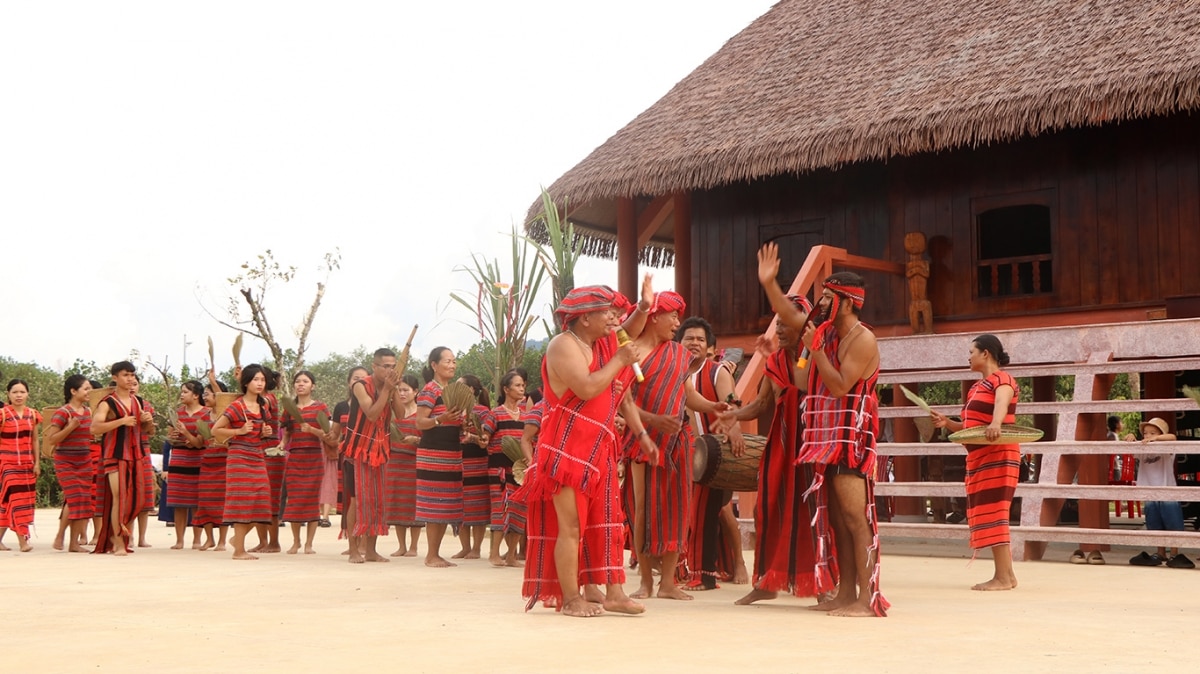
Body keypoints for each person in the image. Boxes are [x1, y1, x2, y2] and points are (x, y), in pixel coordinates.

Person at [758, 243, 888, 616]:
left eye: (828, 297)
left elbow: (838, 386)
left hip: (851, 441)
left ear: (847, 301)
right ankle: (846, 593)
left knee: (854, 517)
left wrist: (814, 349)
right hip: (825, 440)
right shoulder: (826, 333)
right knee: (836, 519)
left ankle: (867, 599)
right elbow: (799, 362)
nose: (822, 304)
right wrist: (770, 285)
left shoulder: (863, 339)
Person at [519, 281, 657, 617]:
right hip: (567, 448)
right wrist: (621, 360)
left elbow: (629, 329)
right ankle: (570, 598)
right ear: (584, 318)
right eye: (606, 312)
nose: (613, 319)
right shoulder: (562, 345)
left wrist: (643, 306)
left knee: (608, 521)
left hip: (599, 447)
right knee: (571, 527)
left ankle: (614, 592)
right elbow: (585, 387)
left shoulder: (600, 342)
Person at [716, 295, 835, 605]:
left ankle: (823, 585)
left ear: (804, 324)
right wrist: (733, 415)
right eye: (777, 324)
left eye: (785, 324)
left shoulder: (817, 356)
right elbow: (762, 404)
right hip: (782, 445)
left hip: (813, 441)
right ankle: (767, 581)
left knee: (814, 511)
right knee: (765, 509)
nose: (779, 329)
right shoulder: (775, 361)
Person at [624, 291, 729, 601]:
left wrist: (714, 406)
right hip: (641, 437)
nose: (677, 323)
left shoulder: (678, 355)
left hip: (678, 439)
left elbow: (687, 396)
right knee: (642, 509)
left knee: (677, 509)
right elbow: (623, 402)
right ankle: (645, 581)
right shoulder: (632, 353)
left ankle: (667, 582)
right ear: (654, 316)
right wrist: (653, 421)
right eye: (673, 317)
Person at [930, 334, 1022, 590]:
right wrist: (948, 423)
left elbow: (1002, 404)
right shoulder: (975, 388)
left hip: (999, 454)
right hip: (979, 456)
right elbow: (971, 427)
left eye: (972, 351)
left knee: (996, 511)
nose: (968, 356)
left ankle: (1003, 577)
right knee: (989, 511)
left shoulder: (1002, 380)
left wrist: (995, 423)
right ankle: (1007, 575)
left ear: (986, 353)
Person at [676, 316, 750, 590]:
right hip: (688, 454)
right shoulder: (676, 372)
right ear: (679, 343)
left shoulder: (718, 372)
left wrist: (735, 429)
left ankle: (705, 573)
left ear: (709, 347)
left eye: (700, 339)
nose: (694, 343)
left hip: (714, 453)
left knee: (711, 512)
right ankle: (715, 567)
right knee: (702, 513)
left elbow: (731, 402)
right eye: (689, 338)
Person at [342, 348, 405, 564]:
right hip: (358, 449)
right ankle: (353, 550)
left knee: (377, 500)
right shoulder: (360, 385)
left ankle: (371, 550)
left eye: (392, 366)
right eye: (385, 366)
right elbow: (372, 414)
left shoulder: (390, 385)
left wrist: (393, 390)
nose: (390, 370)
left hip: (379, 450)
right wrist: (387, 390)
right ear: (375, 366)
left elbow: (402, 414)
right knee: (357, 499)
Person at [211, 364, 274, 560]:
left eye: (262, 380)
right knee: (241, 501)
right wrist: (239, 431)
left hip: (257, 455)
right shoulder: (237, 406)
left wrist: (265, 433)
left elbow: (263, 432)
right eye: (256, 379)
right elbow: (215, 430)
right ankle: (239, 550)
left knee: (261, 499)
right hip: (239, 457)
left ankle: (237, 542)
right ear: (246, 382)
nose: (260, 383)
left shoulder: (263, 406)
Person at [91, 362, 154, 555]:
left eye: (132, 375)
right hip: (114, 454)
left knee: (137, 499)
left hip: (136, 454)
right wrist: (121, 421)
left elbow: (148, 431)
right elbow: (94, 428)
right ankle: (118, 541)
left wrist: (148, 423)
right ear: (115, 377)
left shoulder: (139, 401)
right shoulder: (107, 402)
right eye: (126, 375)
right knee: (119, 497)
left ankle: (120, 537)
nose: (130, 379)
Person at [415, 347, 466, 568]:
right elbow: (419, 423)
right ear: (434, 365)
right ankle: (431, 555)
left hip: (452, 453)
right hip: (433, 454)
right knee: (434, 503)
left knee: (445, 504)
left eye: (454, 361)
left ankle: (435, 554)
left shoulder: (453, 390)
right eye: (447, 361)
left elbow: (455, 424)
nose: (452, 365)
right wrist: (441, 419)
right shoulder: (429, 390)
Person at [1127, 417, 1193, 568]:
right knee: (1154, 522)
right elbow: (1132, 450)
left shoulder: (1167, 449)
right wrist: (1131, 438)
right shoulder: (1143, 450)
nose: (1148, 436)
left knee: (1173, 522)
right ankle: (1160, 552)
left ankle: (1174, 553)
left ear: (1161, 434)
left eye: (1152, 433)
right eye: (1145, 433)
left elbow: (1173, 437)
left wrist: (1157, 438)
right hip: (1149, 492)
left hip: (1167, 490)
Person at [281, 370, 335, 555]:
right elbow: (287, 432)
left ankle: (309, 544)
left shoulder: (321, 407)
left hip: (314, 457)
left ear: (313, 386)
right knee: (295, 500)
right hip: (295, 457)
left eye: (305, 381)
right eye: (298, 381)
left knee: (312, 501)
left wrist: (312, 430)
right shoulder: (289, 408)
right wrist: (281, 444)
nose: (301, 384)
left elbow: (328, 434)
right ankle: (296, 542)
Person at [481, 369, 528, 567]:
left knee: (519, 509)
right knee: (500, 508)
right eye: (517, 385)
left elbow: (531, 441)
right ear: (506, 389)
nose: (521, 388)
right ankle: (494, 554)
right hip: (498, 469)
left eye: (523, 385)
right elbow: (484, 440)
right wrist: (480, 438)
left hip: (519, 471)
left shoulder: (526, 417)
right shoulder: (495, 414)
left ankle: (511, 556)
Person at [47, 375, 94, 552]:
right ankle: (60, 536)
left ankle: (74, 543)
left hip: (85, 459)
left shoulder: (89, 412)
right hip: (65, 460)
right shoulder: (63, 413)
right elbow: (52, 440)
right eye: (86, 389)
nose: (89, 392)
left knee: (83, 500)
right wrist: (70, 427)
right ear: (73, 391)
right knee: (74, 498)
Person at [164, 380, 209, 550]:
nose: (182, 395)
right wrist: (175, 435)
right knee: (179, 502)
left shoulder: (206, 414)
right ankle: (179, 540)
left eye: (185, 392)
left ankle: (197, 539)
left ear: (196, 395)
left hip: (198, 460)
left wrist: (186, 433)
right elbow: (170, 439)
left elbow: (201, 442)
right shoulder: (177, 414)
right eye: (181, 392)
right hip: (179, 459)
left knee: (196, 502)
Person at [0, 379, 43, 552]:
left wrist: (37, 462)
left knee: (12, 502)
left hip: (26, 464)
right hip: (7, 463)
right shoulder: (2, 414)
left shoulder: (32, 414)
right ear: (8, 394)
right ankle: (23, 541)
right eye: (15, 392)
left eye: (22, 392)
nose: (19, 395)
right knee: (17, 501)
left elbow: (34, 440)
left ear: (27, 394)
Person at [330, 366, 369, 539]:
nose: (359, 381)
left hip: (369, 456)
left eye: (363, 378)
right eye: (355, 378)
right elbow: (335, 435)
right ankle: (354, 541)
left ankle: (365, 543)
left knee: (367, 499)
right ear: (348, 382)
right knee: (352, 499)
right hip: (348, 458)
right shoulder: (341, 407)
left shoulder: (373, 406)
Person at [386, 374, 422, 557]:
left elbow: (428, 440)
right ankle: (401, 545)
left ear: (416, 392)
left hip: (414, 464)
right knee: (396, 504)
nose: (402, 393)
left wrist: (415, 440)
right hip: (394, 464)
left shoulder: (421, 415)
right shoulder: (393, 415)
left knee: (413, 505)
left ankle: (414, 546)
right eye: (399, 390)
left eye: (406, 390)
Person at [457, 374, 491, 559]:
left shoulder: (483, 412)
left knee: (477, 505)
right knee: (460, 505)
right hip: (460, 462)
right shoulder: (454, 411)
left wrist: (473, 438)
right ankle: (465, 547)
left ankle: (476, 548)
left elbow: (487, 439)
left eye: (460, 386)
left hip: (478, 463)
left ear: (470, 390)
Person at [194, 381, 230, 551]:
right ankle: (209, 539)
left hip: (224, 461)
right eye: (205, 393)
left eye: (208, 393)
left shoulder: (228, 417)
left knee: (222, 501)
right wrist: (185, 433)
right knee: (205, 501)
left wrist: (214, 381)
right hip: (208, 461)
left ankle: (222, 541)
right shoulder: (202, 418)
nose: (205, 396)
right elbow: (199, 442)